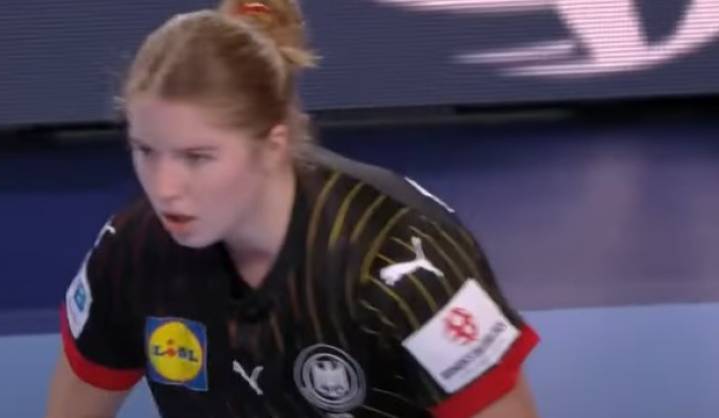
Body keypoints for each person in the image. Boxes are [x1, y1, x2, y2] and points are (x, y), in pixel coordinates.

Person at [45, 1, 540, 417]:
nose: (164, 188)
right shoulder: (132, 253)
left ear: (272, 145)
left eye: (198, 157)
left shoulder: (399, 261)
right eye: (146, 151)